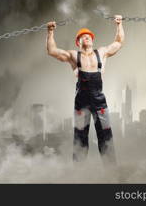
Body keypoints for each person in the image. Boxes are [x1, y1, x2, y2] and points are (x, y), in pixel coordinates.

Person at [46, 15, 124, 166]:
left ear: (92, 40)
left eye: (89, 36)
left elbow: (119, 42)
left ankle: (112, 175)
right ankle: (78, 176)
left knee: (106, 137)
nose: (87, 37)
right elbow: (52, 50)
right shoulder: (74, 55)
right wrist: (50, 31)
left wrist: (119, 24)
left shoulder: (101, 52)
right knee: (80, 139)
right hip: (81, 103)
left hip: (100, 102)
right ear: (78, 42)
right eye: (83, 36)